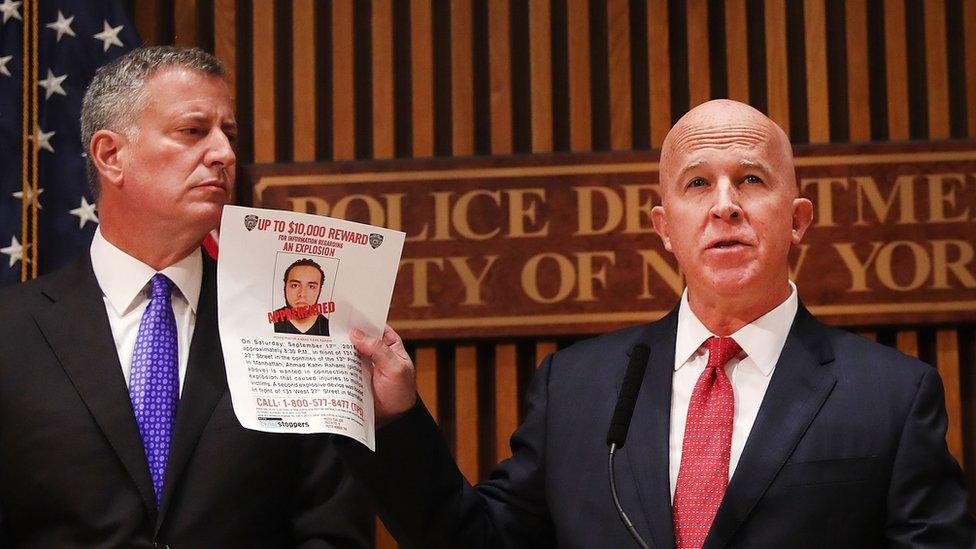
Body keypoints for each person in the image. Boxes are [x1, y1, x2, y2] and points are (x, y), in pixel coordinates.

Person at [343, 100, 976, 548]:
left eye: (751, 180)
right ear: (665, 228)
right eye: (697, 183)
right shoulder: (576, 388)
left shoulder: (892, 395)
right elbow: (480, 540)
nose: (725, 205)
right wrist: (397, 419)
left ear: (799, 220)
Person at [0, 46, 371, 546]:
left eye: (229, 134)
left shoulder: (295, 330)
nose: (224, 154)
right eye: (193, 131)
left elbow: (332, 531)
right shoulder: (11, 333)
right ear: (112, 155)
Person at [274, 258, 331, 336]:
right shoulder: (268, 322)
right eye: (295, 285)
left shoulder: (329, 328)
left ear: (319, 291)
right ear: (285, 288)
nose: (302, 294)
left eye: (311, 286)